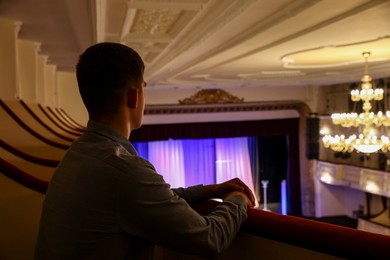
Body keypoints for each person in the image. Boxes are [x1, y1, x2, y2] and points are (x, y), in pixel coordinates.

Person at [34, 42, 255, 259]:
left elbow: (142, 199)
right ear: (134, 97)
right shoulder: (124, 169)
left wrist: (207, 191)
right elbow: (210, 238)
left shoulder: (79, 151)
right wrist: (237, 199)